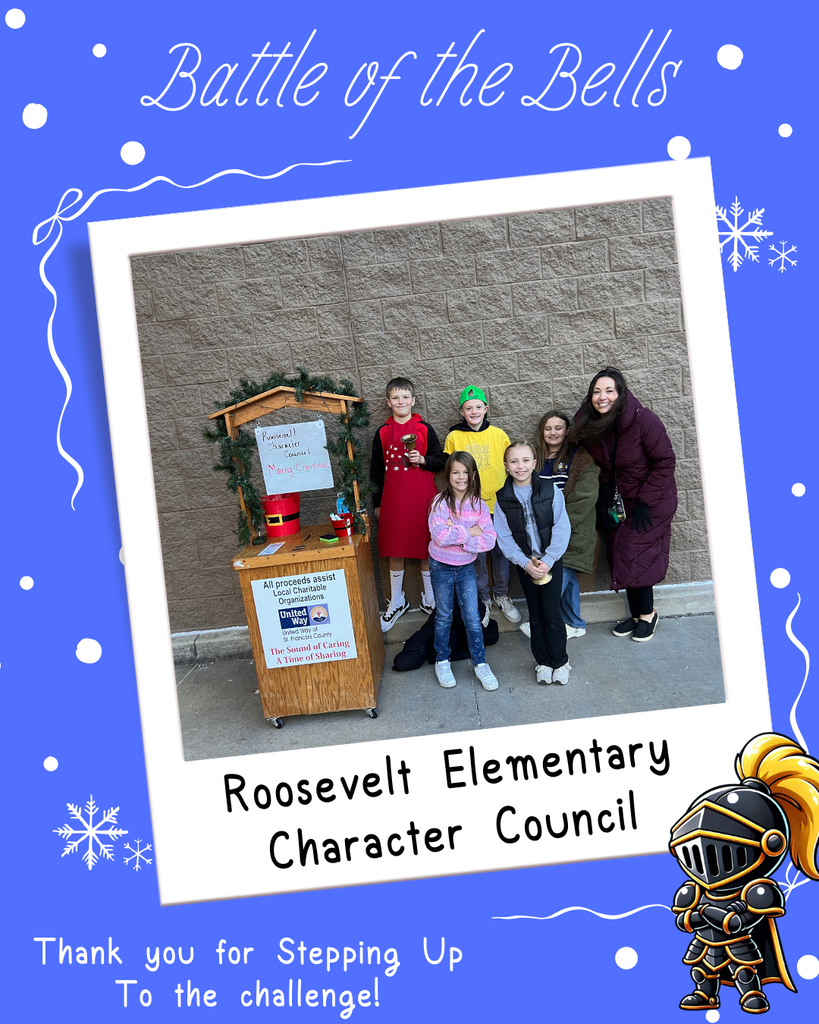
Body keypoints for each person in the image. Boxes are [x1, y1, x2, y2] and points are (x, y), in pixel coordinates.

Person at [568, 367, 677, 642]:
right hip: (620, 501)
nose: (602, 397)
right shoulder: (593, 423)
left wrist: (644, 501)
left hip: (651, 500)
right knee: (622, 552)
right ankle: (638, 613)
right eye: (596, 391)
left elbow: (665, 461)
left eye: (609, 391)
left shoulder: (644, 421)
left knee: (634, 550)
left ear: (620, 394)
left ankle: (648, 614)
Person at [370, 376, 445, 631]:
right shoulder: (382, 432)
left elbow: (441, 460)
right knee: (396, 547)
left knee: (426, 544)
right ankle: (397, 601)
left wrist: (423, 460)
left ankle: (429, 598)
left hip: (422, 496)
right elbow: (376, 473)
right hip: (393, 498)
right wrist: (377, 504)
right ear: (388, 402)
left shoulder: (424, 428)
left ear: (413, 400)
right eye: (395, 398)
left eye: (405, 397)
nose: (400, 401)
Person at [494, 440, 571, 685]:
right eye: (514, 461)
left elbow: (562, 527)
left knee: (551, 613)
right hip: (526, 565)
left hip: (550, 562)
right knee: (535, 614)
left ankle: (560, 661)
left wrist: (548, 561)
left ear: (535, 463)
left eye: (526, 460)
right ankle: (543, 662)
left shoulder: (550, 491)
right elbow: (504, 537)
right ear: (506, 466)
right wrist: (524, 563)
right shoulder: (503, 499)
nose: (520, 466)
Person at [443, 386, 519, 626]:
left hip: (498, 506)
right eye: (468, 408)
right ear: (462, 412)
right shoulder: (454, 437)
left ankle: (501, 594)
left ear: (486, 409)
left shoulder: (499, 434)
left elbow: (509, 466)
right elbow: (450, 472)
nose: (473, 411)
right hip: (469, 508)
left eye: (478, 406)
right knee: (476, 555)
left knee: (501, 553)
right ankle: (482, 598)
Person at [427, 453, 499, 691]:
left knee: (472, 617)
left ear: (473, 475)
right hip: (441, 567)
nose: (461, 477)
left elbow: (489, 539)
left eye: (465, 472)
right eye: (455, 472)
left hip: (467, 567)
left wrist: (459, 534)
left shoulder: (479, 505)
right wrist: (471, 531)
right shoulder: (439, 503)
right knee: (444, 615)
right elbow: (440, 536)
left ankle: (480, 662)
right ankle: (442, 660)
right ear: (447, 475)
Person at [530, 410, 600, 640]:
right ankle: (575, 623)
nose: (553, 432)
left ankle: (540, 621)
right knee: (566, 578)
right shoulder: (536, 458)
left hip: (574, 529)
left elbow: (584, 499)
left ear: (567, 431)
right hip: (542, 530)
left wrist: (557, 526)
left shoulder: (580, 459)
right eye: (548, 428)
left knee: (559, 574)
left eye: (558, 428)